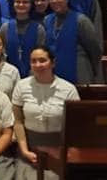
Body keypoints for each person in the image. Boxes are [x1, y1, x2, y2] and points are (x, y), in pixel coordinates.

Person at [11, 47, 79, 180]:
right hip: (29, 147)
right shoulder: (21, 86)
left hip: (58, 149)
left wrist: (64, 150)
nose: (37, 65)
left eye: (42, 60)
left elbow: (75, 124)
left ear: (53, 63)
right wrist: (25, 151)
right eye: (33, 61)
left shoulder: (69, 89)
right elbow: (18, 121)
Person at [44, 0, 103, 85]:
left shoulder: (81, 20)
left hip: (79, 71)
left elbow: (94, 49)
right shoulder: (47, 20)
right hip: (55, 72)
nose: (54, 1)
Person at [0, 0, 46, 78]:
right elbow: (1, 53)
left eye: (25, 2)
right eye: (18, 2)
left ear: (31, 5)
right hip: (9, 75)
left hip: (33, 74)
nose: (21, 4)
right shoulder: (5, 27)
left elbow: (41, 54)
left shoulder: (39, 29)